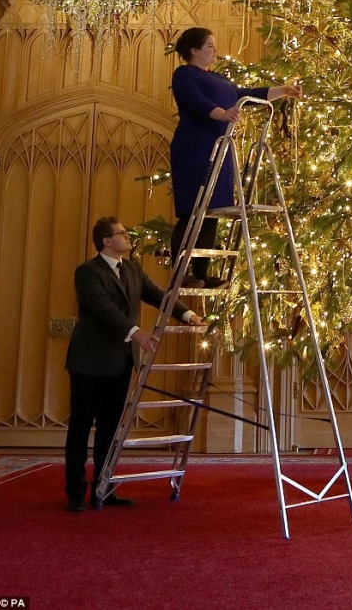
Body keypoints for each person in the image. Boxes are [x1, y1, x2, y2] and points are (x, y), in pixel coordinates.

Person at [65, 216, 204, 512]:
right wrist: (135, 332)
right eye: (122, 234)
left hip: (120, 361)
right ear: (106, 241)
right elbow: (103, 309)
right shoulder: (87, 272)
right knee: (80, 428)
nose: (128, 237)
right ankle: (75, 493)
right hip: (89, 362)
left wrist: (188, 315)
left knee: (111, 430)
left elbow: (159, 296)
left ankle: (104, 489)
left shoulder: (133, 269)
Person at [169, 27, 301, 286]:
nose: (214, 50)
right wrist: (221, 113)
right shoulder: (184, 75)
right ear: (194, 50)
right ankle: (179, 273)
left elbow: (245, 96)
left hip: (220, 148)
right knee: (193, 211)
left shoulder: (219, 79)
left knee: (212, 212)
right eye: (209, 46)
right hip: (196, 148)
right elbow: (193, 101)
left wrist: (283, 90)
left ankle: (200, 273)